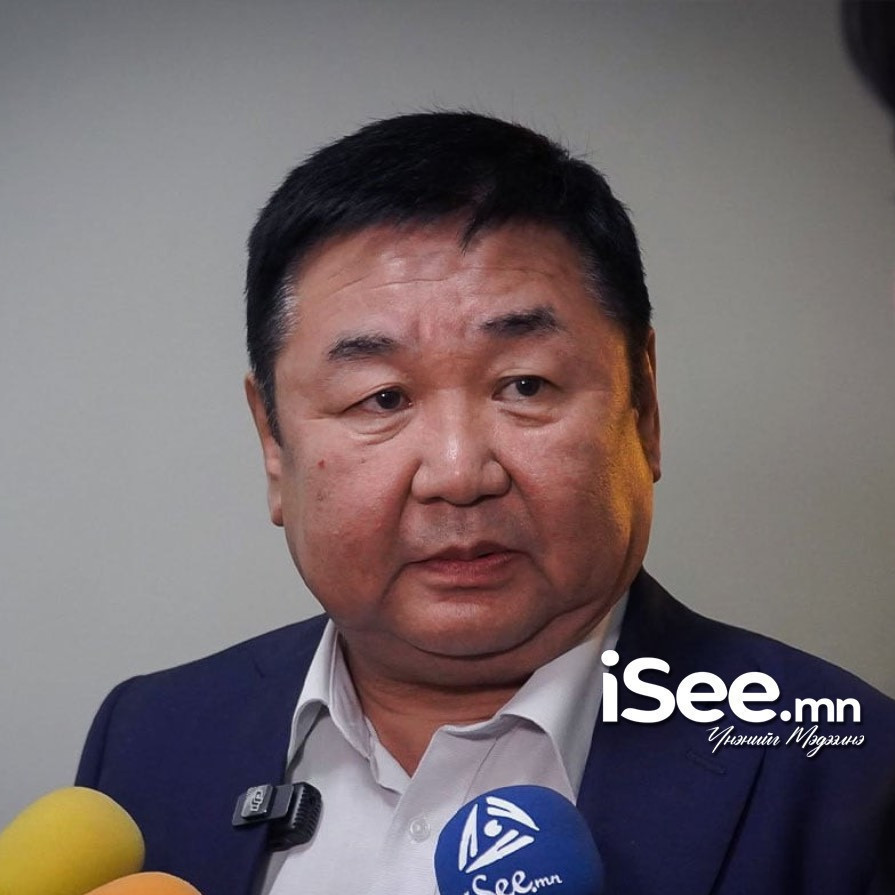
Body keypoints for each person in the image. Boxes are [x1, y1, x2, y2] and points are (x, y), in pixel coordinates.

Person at [77, 111, 895, 895]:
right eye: (382, 397)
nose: (458, 472)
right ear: (272, 442)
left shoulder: (850, 769)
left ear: (643, 407)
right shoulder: (150, 738)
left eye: (524, 384)